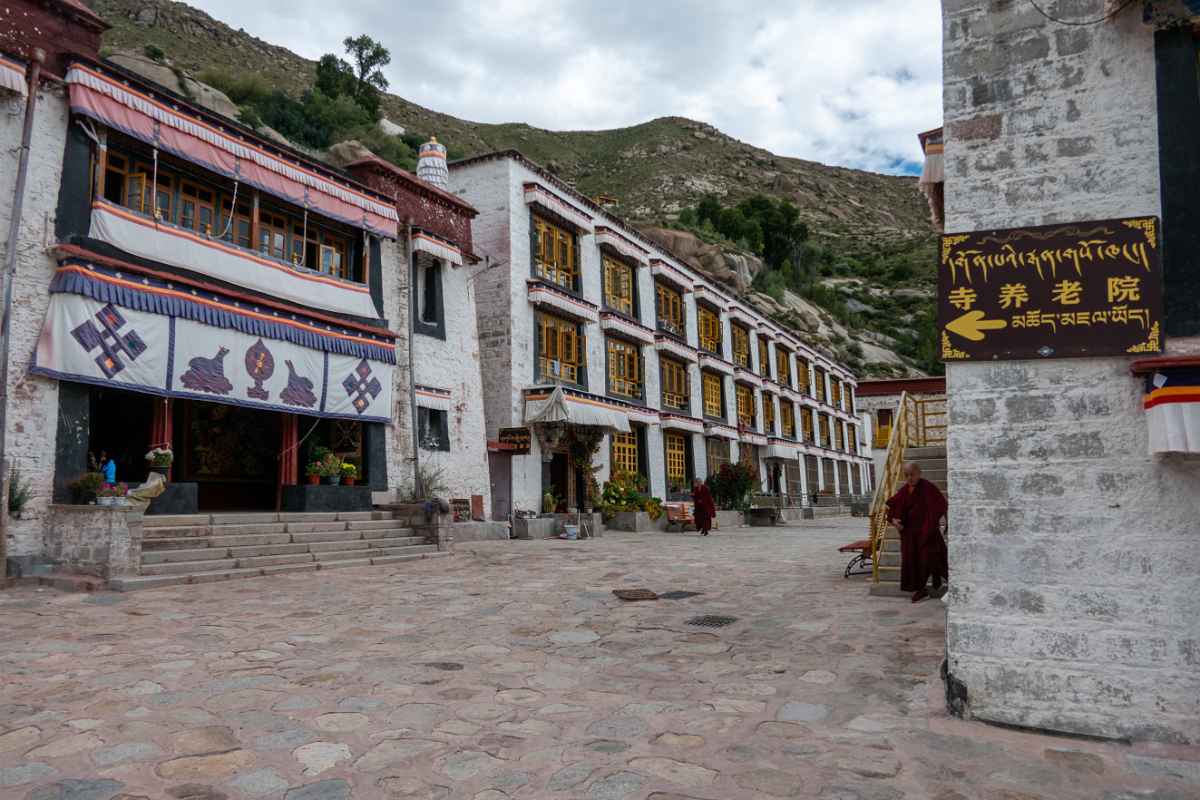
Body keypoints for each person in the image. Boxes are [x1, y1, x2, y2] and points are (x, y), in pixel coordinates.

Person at [885, 462, 948, 603]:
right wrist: (895, 521)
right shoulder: (904, 491)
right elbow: (892, 509)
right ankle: (921, 590)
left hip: (927, 531)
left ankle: (954, 585)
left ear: (919, 473)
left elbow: (941, 505)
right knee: (913, 562)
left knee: (934, 558)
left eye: (912, 474)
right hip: (910, 535)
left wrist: (938, 525)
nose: (909, 478)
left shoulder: (928, 488)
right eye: (906, 475)